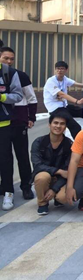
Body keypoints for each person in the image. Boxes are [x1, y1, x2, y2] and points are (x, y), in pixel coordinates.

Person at [0, 46, 37, 200]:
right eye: (6, 58)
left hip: (19, 122)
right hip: (3, 123)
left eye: (11, 59)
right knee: (4, 157)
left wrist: (31, 117)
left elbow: (32, 98)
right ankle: (5, 187)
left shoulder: (19, 75)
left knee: (22, 156)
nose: (9, 61)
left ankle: (26, 187)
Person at [31, 111, 72, 215]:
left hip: (61, 179)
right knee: (42, 177)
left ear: (66, 127)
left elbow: (68, 172)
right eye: (55, 123)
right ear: (49, 124)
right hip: (45, 175)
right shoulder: (39, 142)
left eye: (62, 124)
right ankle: (42, 203)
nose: (58, 126)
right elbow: (37, 165)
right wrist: (58, 171)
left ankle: (57, 198)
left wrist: (54, 189)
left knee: (63, 198)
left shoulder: (69, 145)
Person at [0, 60, 23, 210]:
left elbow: (18, 95)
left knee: (5, 160)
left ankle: (8, 192)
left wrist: (3, 97)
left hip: (3, 124)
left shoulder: (8, 72)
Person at [43, 61, 83, 139]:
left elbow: (77, 84)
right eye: (58, 69)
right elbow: (62, 94)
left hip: (64, 106)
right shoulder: (51, 81)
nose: (60, 71)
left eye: (62, 69)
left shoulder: (65, 79)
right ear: (55, 70)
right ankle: (79, 145)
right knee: (75, 127)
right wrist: (77, 101)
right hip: (55, 109)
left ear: (66, 70)